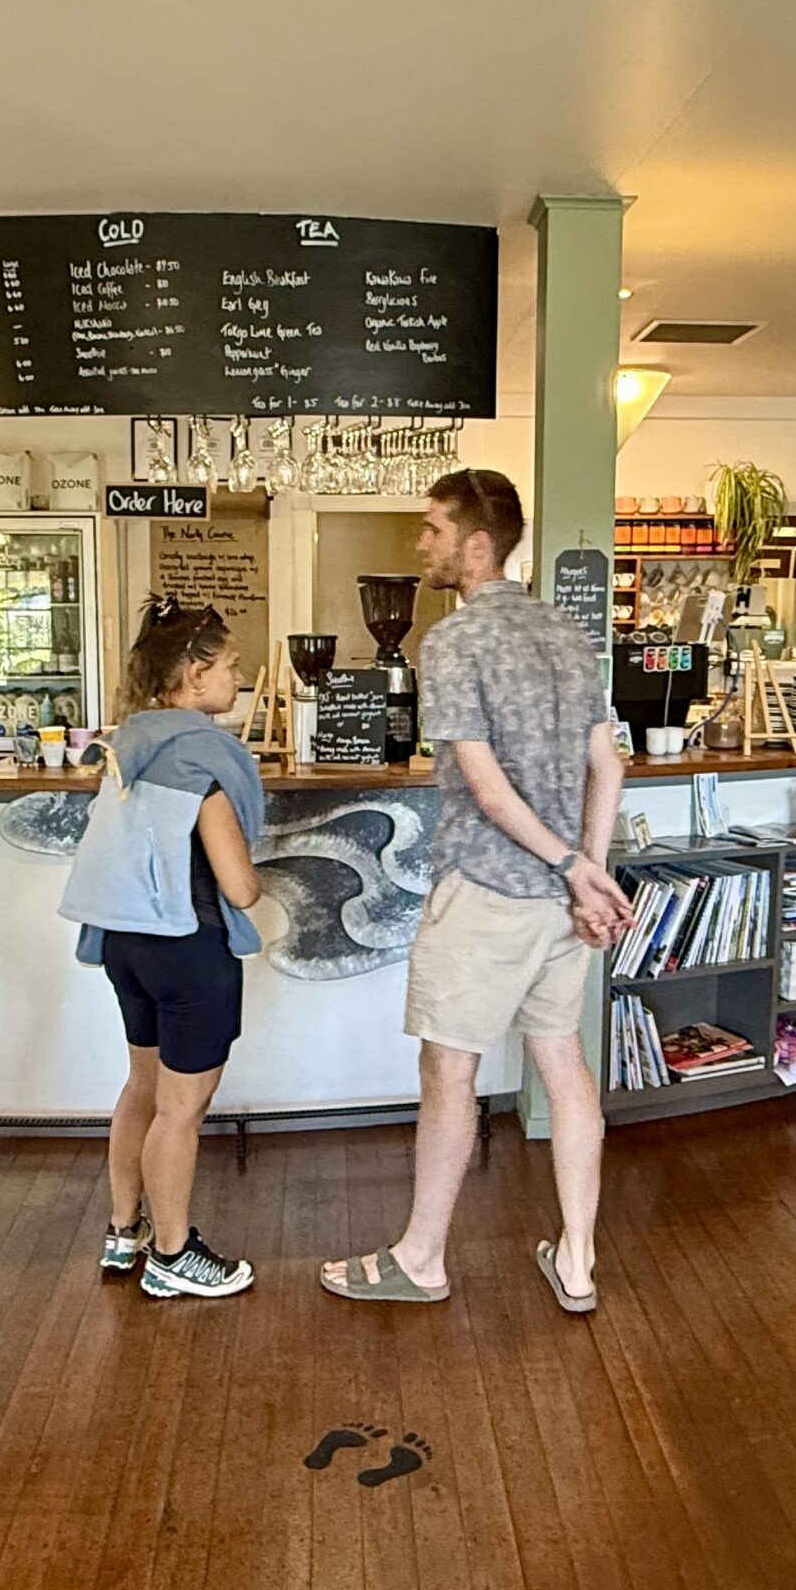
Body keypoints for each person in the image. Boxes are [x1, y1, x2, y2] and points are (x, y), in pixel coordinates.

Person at [321, 469, 633, 1315]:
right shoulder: (569, 632)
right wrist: (585, 871)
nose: (420, 543)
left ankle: (421, 1259)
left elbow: (489, 793)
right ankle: (577, 1261)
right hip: (561, 905)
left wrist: (576, 872)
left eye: (433, 529)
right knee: (563, 1063)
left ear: (477, 544)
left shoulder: (454, 641)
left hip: (489, 889)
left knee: (448, 1071)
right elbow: (608, 765)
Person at [58, 597, 264, 1299]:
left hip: (126, 946)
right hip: (188, 951)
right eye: (230, 664)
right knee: (182, 1110)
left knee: (141, 1090)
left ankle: (125, 1232)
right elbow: (239, 889)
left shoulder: (128, 747)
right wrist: (256, 879)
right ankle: (173, 1256)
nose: (238, 677)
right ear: (195, 673)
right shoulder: (202, 761)